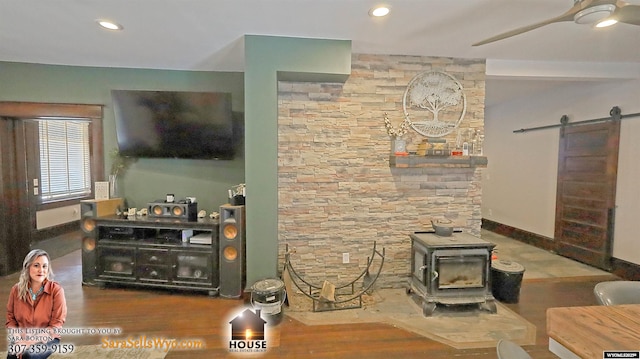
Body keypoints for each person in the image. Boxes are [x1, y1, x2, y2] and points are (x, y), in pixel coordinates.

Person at [5, 249, 67, 359]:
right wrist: (18, 339)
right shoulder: (16, 290)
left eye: (44, 266)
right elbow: (11, 319)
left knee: (29, 354)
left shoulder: (56, 291)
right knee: (12, 356)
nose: (41, 270)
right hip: (22, 336)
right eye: (36, 265)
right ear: (28, 267)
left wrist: (29, 342)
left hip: (48, 338)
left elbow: (56, 324)